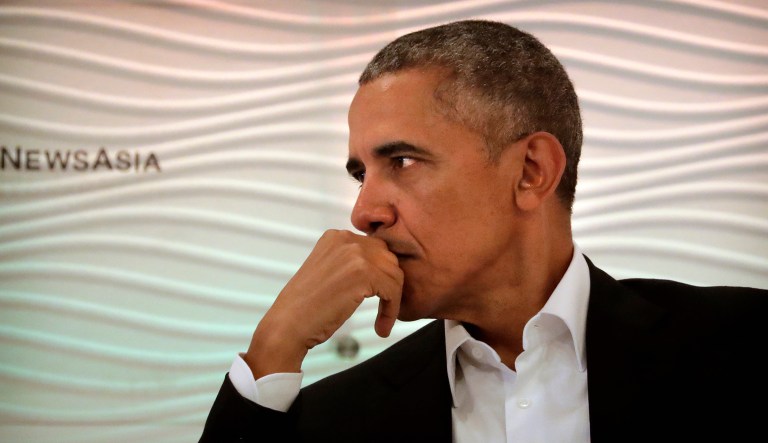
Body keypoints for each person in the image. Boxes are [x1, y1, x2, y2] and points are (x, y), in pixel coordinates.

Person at [199, 19, 768, 442]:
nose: (363, 212)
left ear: (531, 172)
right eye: (359, 173)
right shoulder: (332, 420)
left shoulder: (742, 347)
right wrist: (272, 349)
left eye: (401, 161)